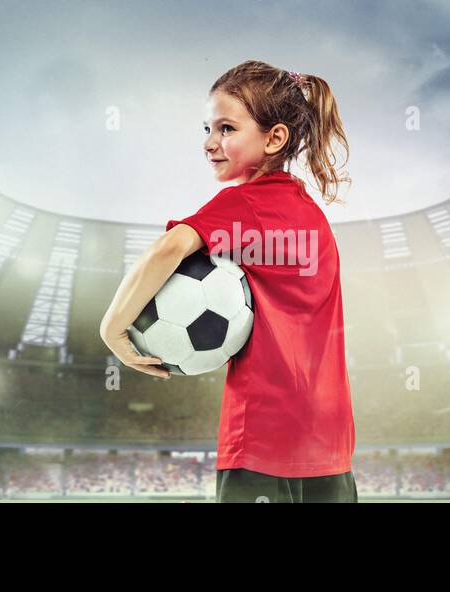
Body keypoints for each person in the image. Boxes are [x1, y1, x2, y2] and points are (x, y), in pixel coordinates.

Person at [99, 60, 357, 502]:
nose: (210, 143)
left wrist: (112, 329)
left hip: (262, 438)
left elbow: (167, 249)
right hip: (330, 443)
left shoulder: (245, 204)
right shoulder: (313, 217)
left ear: (274, 137)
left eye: (226, 129)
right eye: (207, 129)